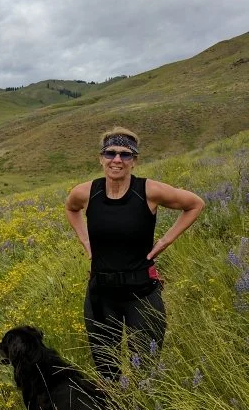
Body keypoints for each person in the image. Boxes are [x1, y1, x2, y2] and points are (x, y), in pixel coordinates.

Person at [64, 127, 205, 381]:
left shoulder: (148, 191)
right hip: (100, 295)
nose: (117, 160)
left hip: (142, 294)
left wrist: (165, 241)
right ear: (101, 158)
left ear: (134, 161)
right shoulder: (86, 192)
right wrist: (85, 241)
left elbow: (195, 204)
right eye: (110, 153)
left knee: (145, 370)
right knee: (107, 371)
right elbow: (71, 208)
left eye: (125, 155)